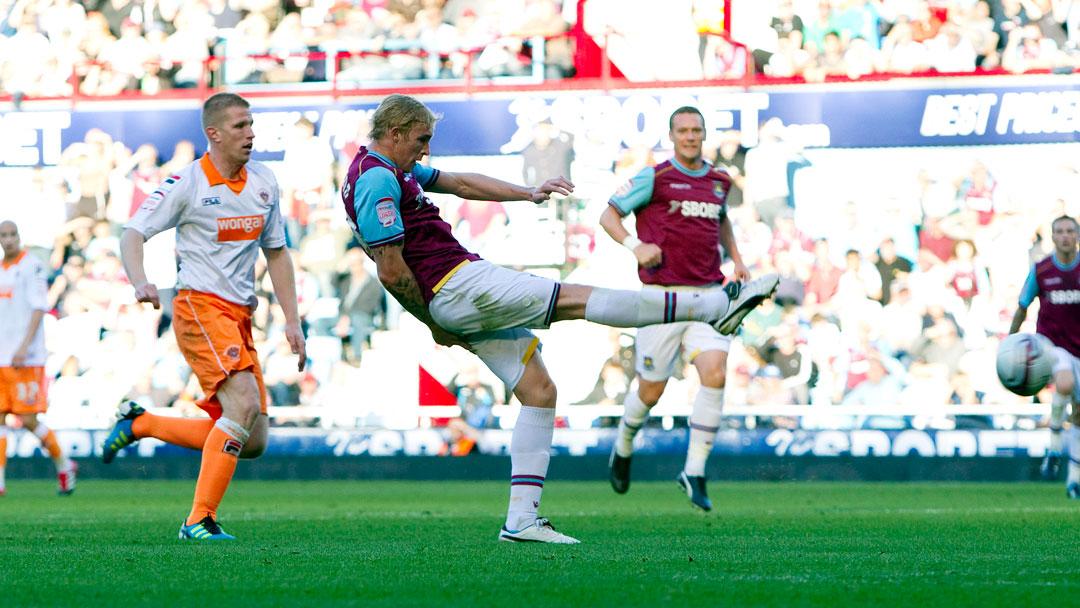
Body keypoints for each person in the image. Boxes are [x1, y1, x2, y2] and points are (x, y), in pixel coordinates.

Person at [341, 95, 778, 544]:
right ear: (394, 134)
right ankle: (710, 307)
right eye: (421, 140)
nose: (426, 150)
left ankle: (522, 522)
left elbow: (460, 183)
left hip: (451, 290)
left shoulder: (387, 168)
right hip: (455, 284)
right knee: (571, 300)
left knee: (539, 388)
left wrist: (527, 193)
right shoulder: (376, 178)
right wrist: (432, 322)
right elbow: (390, 269)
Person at [105, 93, 307, 539]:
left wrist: (292, 321)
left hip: (239, 314)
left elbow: (276, 253)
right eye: (239, 126)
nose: (250, 133)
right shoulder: (188, 183)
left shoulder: (264, 181)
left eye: (251, 124)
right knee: (244, 405)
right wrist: (141, 280)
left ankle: (142, 423)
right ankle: (198, 519)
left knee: (251, 441)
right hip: (199, 306)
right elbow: (133, 232)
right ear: (213, 134)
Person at [599, 106, 755, 512]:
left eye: (696, 130)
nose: (690, 136)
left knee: (716, 374)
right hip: (662, 298)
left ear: (704, 134)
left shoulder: (719, 181)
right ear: (672, 136)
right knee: (650, 390)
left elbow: (722, 221)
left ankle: (695, 470)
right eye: (683, 130)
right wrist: (636, 246)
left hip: (707, 295)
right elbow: (609, 214)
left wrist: (736, 258)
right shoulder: (655, 176)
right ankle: (624, 444)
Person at [0, 220, 78, 497]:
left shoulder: (31, 266)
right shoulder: (1, 269)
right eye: (4, 236)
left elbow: (38, 308)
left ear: (19, 237)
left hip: (26, 357)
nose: (8, 240)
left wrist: (23, 346)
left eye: (12, 235)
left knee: (28, 419)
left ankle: (64, 464)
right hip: (2, 355)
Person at [1011, 215, 1080, 492]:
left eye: (1070, 231)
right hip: (1050, 344)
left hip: (1078, 349)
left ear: (1076, 236)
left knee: (1078, 415)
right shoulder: (1041, 270)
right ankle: (1053, 445)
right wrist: (1010, 342)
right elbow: (1022, 307)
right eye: (1060, 231)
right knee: (1064, 383)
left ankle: (1073, 478)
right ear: (1052, 237)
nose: (1065, 236)